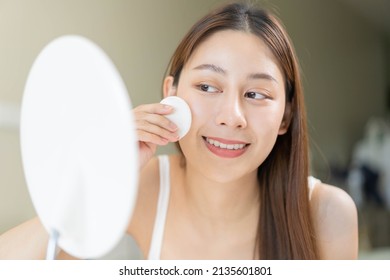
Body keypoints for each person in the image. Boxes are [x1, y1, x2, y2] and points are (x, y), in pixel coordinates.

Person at [0, 1, 358, 260]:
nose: (231, 116)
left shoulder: (325, 214)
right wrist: (100, 173)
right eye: (207, 87)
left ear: (285, 117)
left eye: (256, 94)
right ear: (170, 93)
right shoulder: (145, 186)